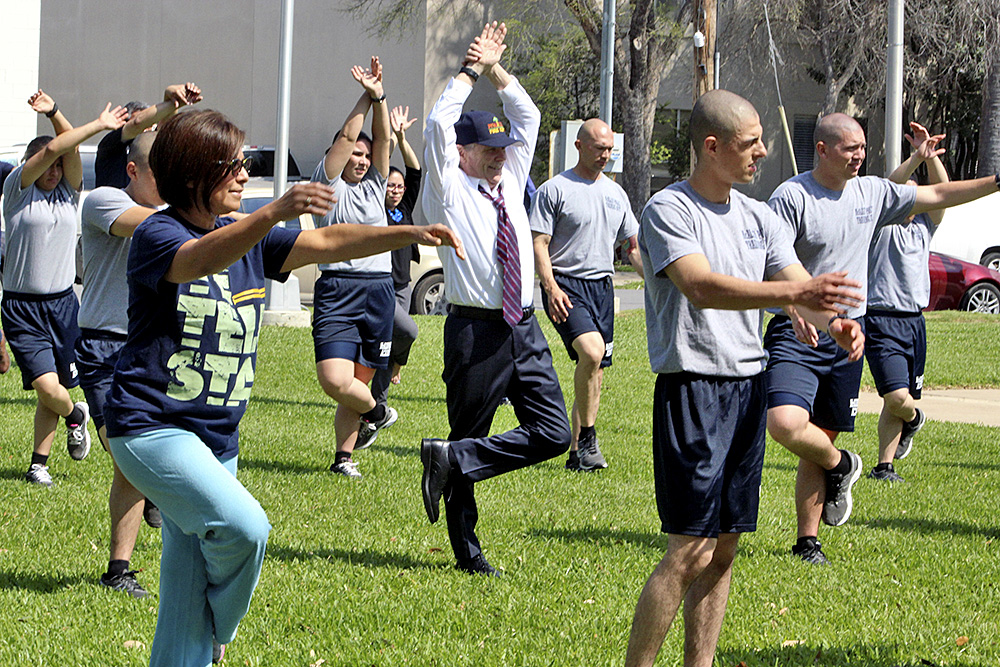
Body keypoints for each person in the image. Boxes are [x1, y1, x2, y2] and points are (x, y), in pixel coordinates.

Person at [102, 109, 462, 666]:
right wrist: (272, 212)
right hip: (152, 428)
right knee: (245, 529)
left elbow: (327, 242)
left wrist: (407, 232)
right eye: (234, 165)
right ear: (197, 175)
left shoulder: (243, 235)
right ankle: (221, 629)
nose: (245, 175)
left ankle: (196, 644)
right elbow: (194, 262)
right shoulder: (158, 232)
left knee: (182, 597)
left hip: (217, 439)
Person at [625, 89, 864, 667]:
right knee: (689, 550)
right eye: (750, 142)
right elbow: (701, 287)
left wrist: (833, 323)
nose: (763, 151)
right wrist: (793, 296)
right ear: (713, 147)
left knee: (725, 548)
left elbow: (797, 284)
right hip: (694, 391)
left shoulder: (758, 216)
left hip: (747, 388)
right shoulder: (668, 210)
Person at [766, 112, 1000, 565]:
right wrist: (796, 306)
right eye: (850, 148)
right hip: (799, 330)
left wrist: (995, 181)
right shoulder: (792, 197)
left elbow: (936, 193)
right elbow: (773, 262)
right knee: (785, 424)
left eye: (862, 147)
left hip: (850, 336)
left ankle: (807, 541)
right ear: (822, 149)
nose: (860, 155)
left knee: (822, 430)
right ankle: (843, 464)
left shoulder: (871, 192)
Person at [419, 21, 572, 576]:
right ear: (463, 153)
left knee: (555, 433)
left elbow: (528, 117)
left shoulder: (509, 179)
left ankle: (452, 460)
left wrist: (498, 68)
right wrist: (467, 71)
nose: (501, 157)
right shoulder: (447, 188)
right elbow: (438, 124)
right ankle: (469, 554)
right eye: (488, 148)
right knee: (470, 433)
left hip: (524, 328)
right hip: (475, 332)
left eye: (504, 149)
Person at [2, 90, 127, 486]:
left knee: (54, 385)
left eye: (59, 166)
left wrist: (61, 118)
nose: (54, 171)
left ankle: (39, 461)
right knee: (46, 386)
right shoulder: (15, 192)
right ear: (30, 166)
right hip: (22, 309)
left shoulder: (67, 195)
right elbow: (57, 144)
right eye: (47, 165)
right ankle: (76, 415)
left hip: (63, 307)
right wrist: (58, 115)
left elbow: (66, 150)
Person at [79, 131, 167, 598]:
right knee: (128, 456)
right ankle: (121, 565)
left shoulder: (171, 213)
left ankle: (119, 569)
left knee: (132, 462)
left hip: (150, 343)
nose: (171, 181)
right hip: (103, 347)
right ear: (133, 171)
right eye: (161, 171)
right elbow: (150, 225)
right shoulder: (104, 200)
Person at [529, 118, 643, 471]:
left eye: (609, 149)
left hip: (602, 288)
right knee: (591, 353)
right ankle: (590, 438)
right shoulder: (555, 189)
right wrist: (549, 288)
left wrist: (660, 283)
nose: (605, 155)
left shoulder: (615, 194)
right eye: (599, 148)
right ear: (579, 147)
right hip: (567, 285)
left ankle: (579, 453)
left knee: (594, 369)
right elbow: (539, 242)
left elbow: (633, 248)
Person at [310, 57, 396, 479]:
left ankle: (343, 458)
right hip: (337, 288)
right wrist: (365, 93)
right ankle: (378, 411)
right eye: (354, 154)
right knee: (334, 378)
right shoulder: (327, 186)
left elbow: (384, 138)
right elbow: (348, 134)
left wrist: (381, 96)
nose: (361, 160)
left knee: (358, 379)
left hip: (378, 291)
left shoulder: (378, 187)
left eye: (365, 155)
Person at [865, 122, 948, 481]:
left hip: (914, 321)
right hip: (880, 319)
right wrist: (916, 158)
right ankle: (916, 419)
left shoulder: (924, 227)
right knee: (898, 396)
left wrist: (931, 158)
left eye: (918, 194)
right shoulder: (879, 224)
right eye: (909, 194)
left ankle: (885, 466)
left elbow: (943, 192)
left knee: (894, 399)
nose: (913, 197)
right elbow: (890, 188)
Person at [369, 105, 422, 416]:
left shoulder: (406, 207)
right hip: (381, 286)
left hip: (403, 285)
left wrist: (403, 138)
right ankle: (391, 373)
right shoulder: (376, 206)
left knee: (388, 345)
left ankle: (380, 404)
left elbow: (415, 171)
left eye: (399, 187)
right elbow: (382, 168)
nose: (397, 190)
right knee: (406, 333)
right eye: (391, 186)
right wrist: (388, 139)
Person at [95, 82, 203, 188]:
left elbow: (166, 133)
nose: (146, 130)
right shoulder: (111, 148)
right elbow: (138, 123)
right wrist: (172, 103)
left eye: (151, 125)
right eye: (144, 125)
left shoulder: (154, 150)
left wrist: (172, 96)